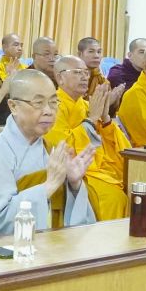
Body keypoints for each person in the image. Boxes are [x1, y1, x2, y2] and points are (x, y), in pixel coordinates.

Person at [0, 70, 97, 236]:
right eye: (39, 103)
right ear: (13, 106)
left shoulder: (51, 149)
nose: (49, 111)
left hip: (56, 245)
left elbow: (79, 222)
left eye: (53, 102)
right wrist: (48, 186)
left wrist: (73, 184)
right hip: (17, 248)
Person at [50, 56, 130, 219]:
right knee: (114, 198)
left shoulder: (88, 105)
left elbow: (113, 145)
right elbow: (62, 147)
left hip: (98, 168)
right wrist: (91, 120)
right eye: (77, 72)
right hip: (74, 171)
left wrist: (105, 118)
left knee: (134, 183)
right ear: (60, 77)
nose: (84, 77)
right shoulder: (53, 107)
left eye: (86, 73)